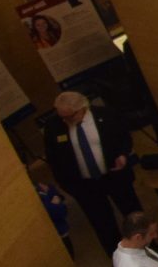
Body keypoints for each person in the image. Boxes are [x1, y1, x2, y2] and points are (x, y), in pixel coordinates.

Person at [43, 90, 140, 252]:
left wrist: (123, 155)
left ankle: (146, 246)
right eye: (62, 117)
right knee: (103, 223)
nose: (66, 120)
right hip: (85, 186)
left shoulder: (107, 115)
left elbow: (124, 138)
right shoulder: (53, 126)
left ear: (83, 107)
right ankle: (118, 256)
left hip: (115, 176)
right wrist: (68, 186)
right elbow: (53, 158)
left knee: (132, 214)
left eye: (70, 116)